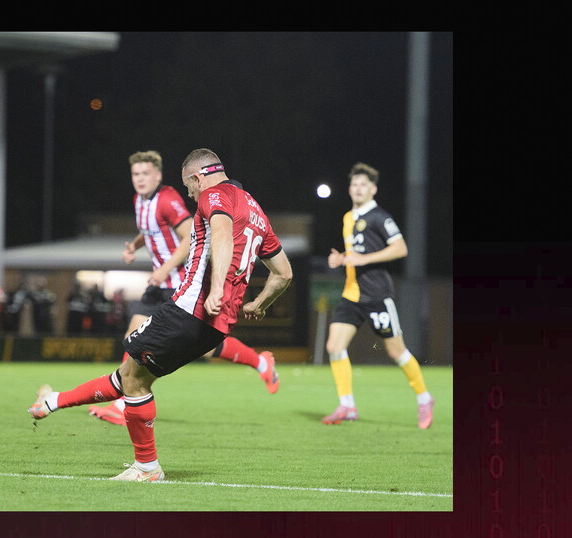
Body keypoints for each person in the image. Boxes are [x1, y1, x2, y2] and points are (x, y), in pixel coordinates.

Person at [29, 149, 293, 481]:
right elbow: (283, 273)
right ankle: (52, 401)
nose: (190, 194)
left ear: (197, 178)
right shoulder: (255, 209)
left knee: (134, 377)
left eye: (189, 187)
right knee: (131, 372)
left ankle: (146, 467)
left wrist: (215, 288)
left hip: (190, 308)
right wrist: (260, 303)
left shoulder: (214, 194)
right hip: (217, 322)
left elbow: (222, 235)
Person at [88, 150, 281, 427]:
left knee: (197, 345)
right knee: (141, 337)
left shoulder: (168, 199)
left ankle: (123, 400)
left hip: (179, 281)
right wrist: (135, 245)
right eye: (135, 174)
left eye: (145, 174)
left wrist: (166, 268)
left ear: (158, 175)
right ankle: (260, 363)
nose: (140, 179)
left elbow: (190, 235)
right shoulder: (139, 202)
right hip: (159, 284)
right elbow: (150, 229)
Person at [321, 162, 435, 429]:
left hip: (377, 296)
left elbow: (400, 248)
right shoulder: (348, 218)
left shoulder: (380, 217)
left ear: (373, 189)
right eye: (354, 184)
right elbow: (355, 255)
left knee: (396, 351)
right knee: (334, 346)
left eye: (363, 185)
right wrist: (342, 259)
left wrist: (363, 259)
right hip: (351, 295)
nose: (358, 188)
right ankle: (347, 405)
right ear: (349, 189)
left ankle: (424, 397)